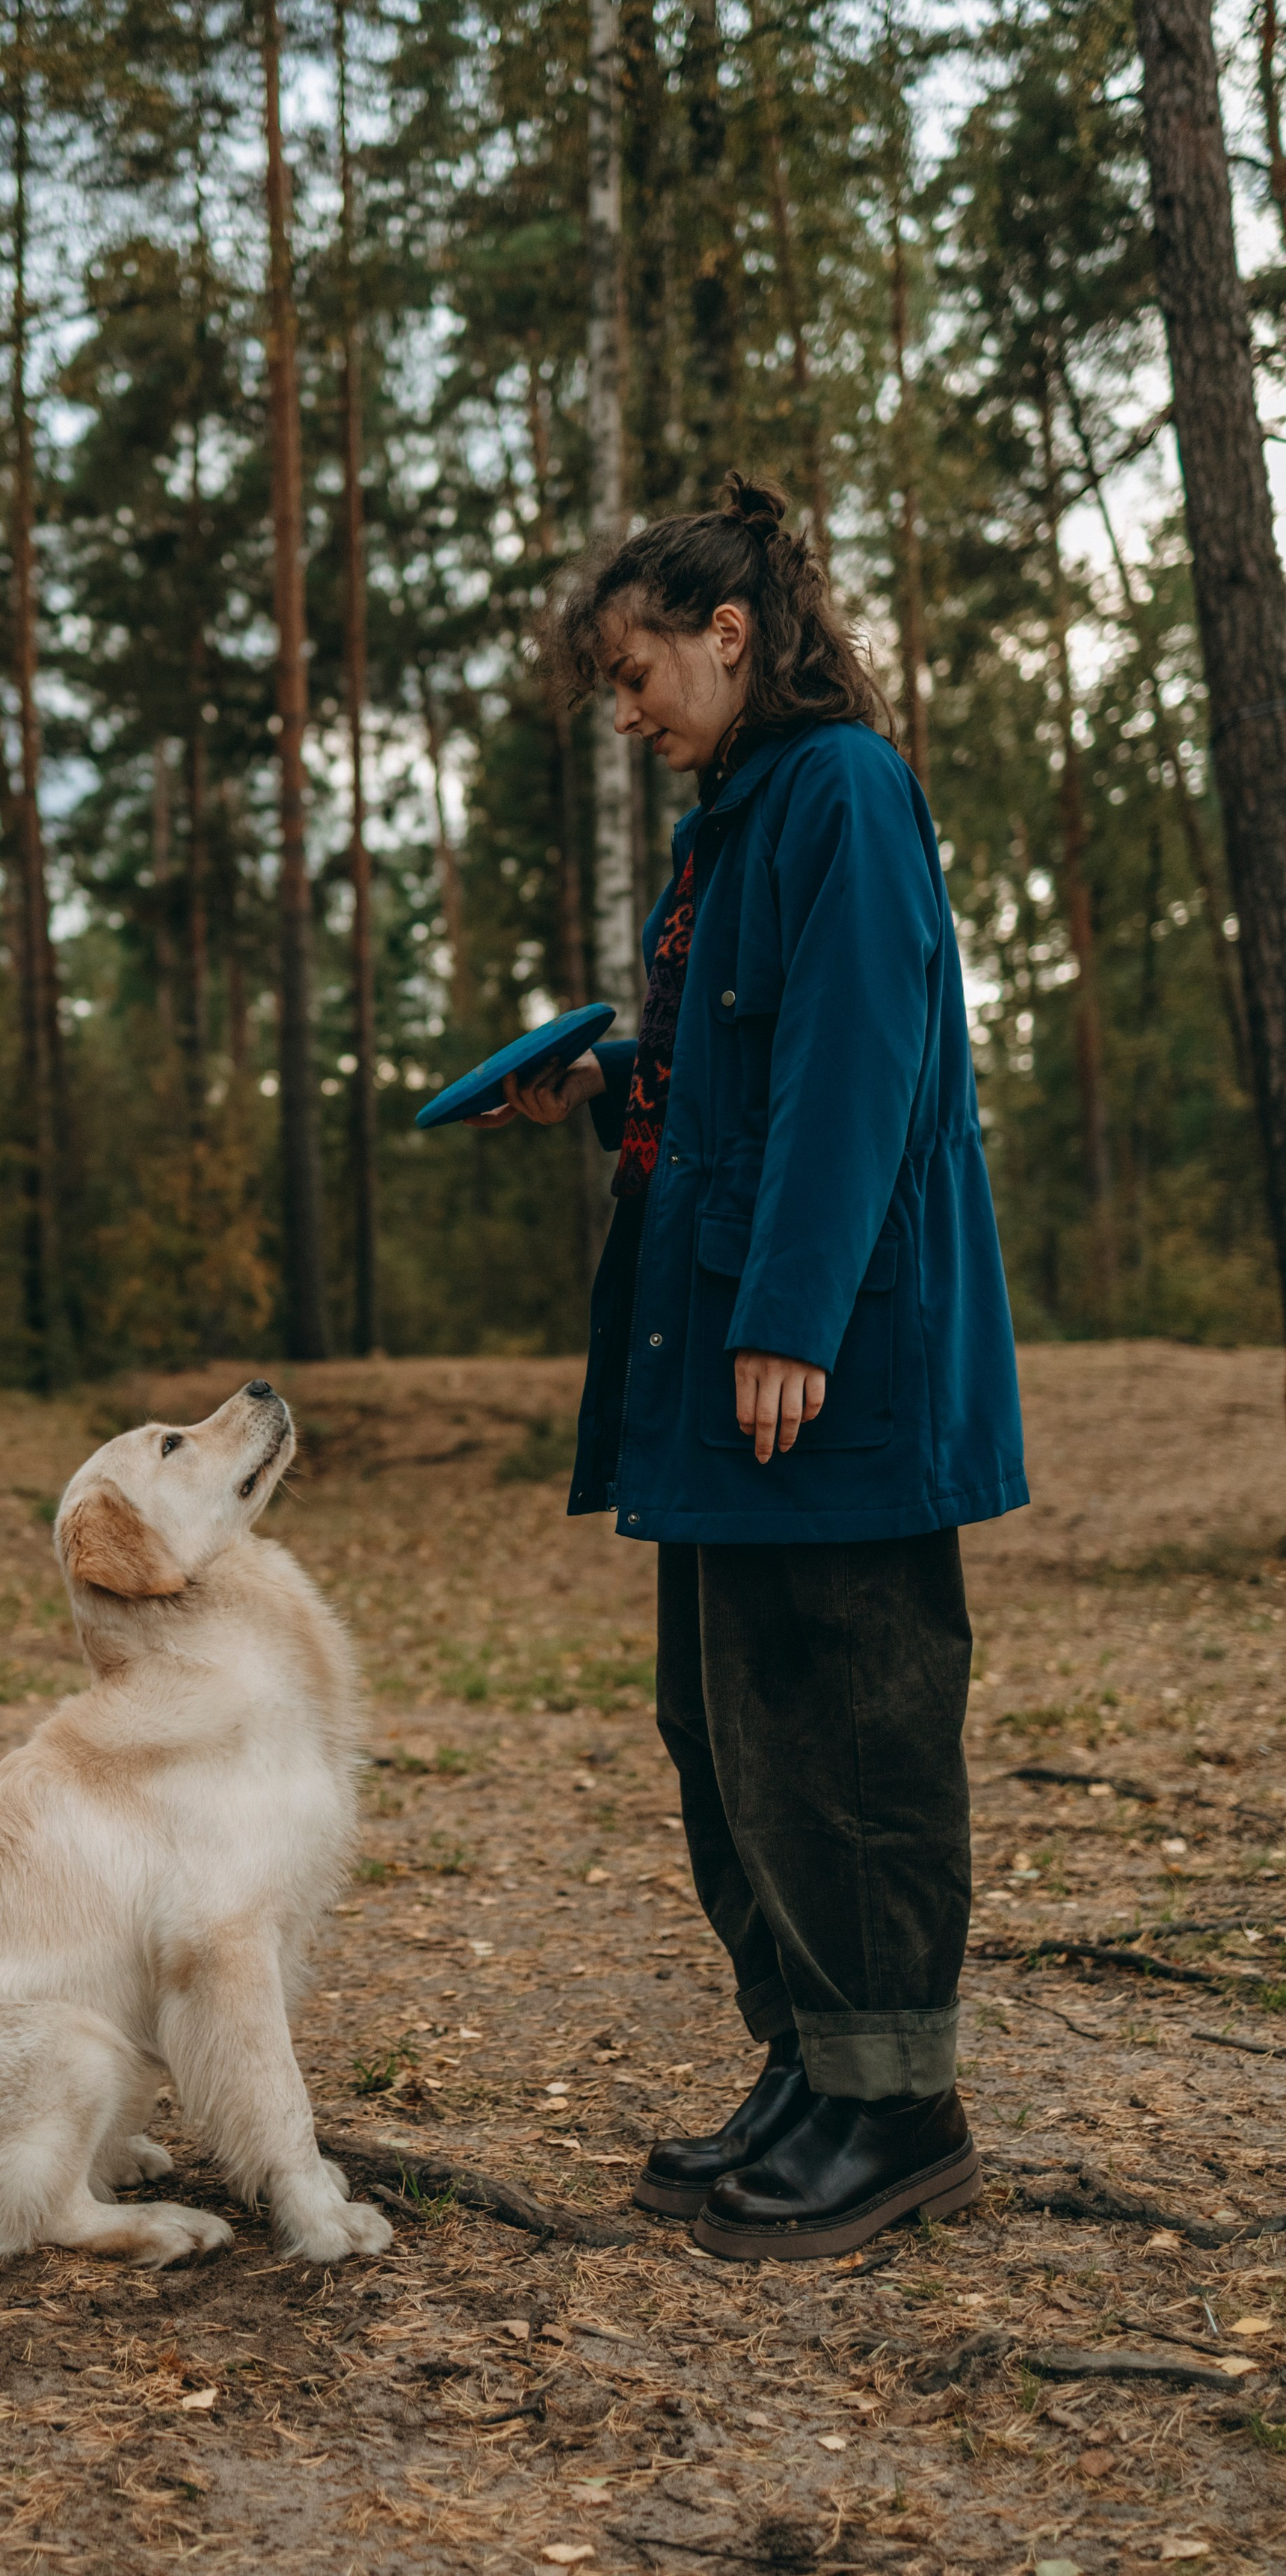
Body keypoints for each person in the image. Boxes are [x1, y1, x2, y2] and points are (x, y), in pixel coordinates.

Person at [472, 474, 1027, 2263]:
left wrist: (789, 1312)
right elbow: (735, 1075)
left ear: (729, 635)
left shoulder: (844, 790)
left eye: (635, 675)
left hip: (826, 1364)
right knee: (732, 1725)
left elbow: (855, 1072)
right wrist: (612, 1086)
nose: (622, 715)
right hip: (721, 1355)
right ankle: (808, 2066)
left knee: (847, 1721)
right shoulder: (738, 814)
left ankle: (898, 2109)